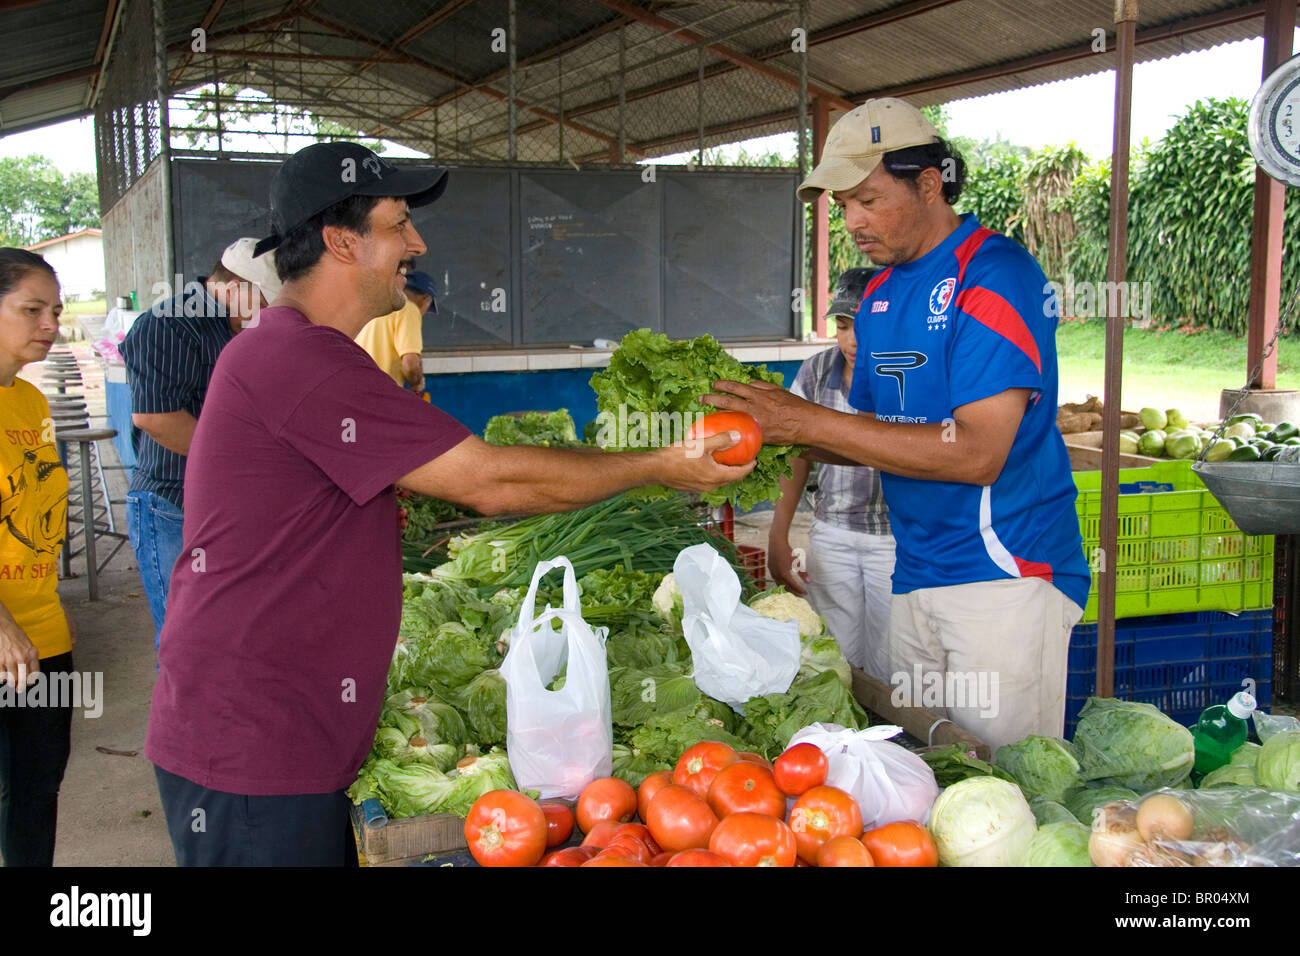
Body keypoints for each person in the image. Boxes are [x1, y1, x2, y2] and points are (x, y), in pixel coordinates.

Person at [144, 142, 750, 867]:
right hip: (254, 744)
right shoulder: (301, 362)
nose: (417, 243)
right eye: (399, 225)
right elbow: (492, 481)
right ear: (342, 241)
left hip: (276, 728)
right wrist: (662, 465)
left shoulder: (296, 354)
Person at [709, 98, 1089, 750]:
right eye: (842, 206)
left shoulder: (993, 275)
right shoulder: (880, 297)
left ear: (929, 183)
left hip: (1003, 576)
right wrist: (772, 438)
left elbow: (976, 455)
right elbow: (887, 442)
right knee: (932, 768)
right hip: (915, 572)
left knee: (1003, 785)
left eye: (868, 200)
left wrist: (805, 422)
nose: (852, 221)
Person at [119, 238, 280, 654]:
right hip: (171, 505)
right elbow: (156, 418)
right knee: (186, 642)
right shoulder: (170, 323)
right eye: (263, 302)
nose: (267, 315)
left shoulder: (231, 327)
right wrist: (242, 465)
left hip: (220, 505)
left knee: (226, 633)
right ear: (234, 286)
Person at [767, 267, 895, 683]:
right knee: (835, 659)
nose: (852, 340)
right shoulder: (817, 370)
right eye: (843, 325)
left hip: (894, 539)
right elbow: (794, 454)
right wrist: (778, 534)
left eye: (865, 326)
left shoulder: (903, 371)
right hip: (832, 533)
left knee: (889, 661)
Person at [0, 248, 77, 866]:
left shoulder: (32, 401)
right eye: (32, 310)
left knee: (36, 791)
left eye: (54, 310)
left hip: (44, 637)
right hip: (4, 639)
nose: (50, 324)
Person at [355, 268, 435, 390]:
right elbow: (410, 364)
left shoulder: (373, 305)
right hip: (383, 392)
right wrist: (417, 384)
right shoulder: (409, 309)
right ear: (425, 299)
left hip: (357, 387)